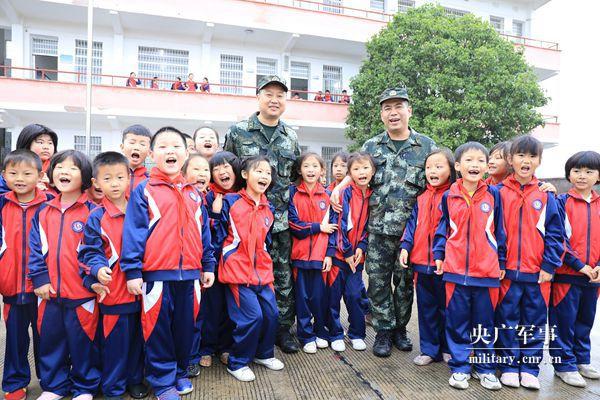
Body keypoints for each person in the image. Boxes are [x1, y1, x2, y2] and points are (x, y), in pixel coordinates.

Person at [331, 87, 436, 357]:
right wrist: (338, 186)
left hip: (409, 233)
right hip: (375, 230)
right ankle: (383, 331)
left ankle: (400, 329)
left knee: (403, 284)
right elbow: (355, 173)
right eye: (387, 108)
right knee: (377, 283)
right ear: (381, 115)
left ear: (409, 111)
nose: (393, 113)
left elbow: (443, 180)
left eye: (398, 106)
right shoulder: (370, 146)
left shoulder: (426, 146)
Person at [120, 127, 215, 400]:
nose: (170, 151)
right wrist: (133, 271)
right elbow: (134, 233)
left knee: (186, 329)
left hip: (191, 277)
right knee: (157, 330)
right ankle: (162, 382)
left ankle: (180, 372)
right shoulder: (144, 190)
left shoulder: (195, 194)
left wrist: (207, 265)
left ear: (186, 153)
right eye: (163, 146)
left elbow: (203, 233)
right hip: (157, 277)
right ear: (152, 154)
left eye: (176, 146)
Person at [223, 75, 301, 353]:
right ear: (258, 97)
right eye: (268, 94)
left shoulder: (290, 137)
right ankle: (242, 331)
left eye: (280, 95)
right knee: (243, 276)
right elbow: (227, 173)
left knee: (282, 276)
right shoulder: (238, 131)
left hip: (278, 221)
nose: (274, 99)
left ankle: (281, 329)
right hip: (244, 222)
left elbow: (295, 177)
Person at [28, 150, 101, 400]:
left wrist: (91, 282)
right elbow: (34, 248)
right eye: (59, 167)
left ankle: (84, 387)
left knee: (84, 343)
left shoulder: (93, 211)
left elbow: (98, 251)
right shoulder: (43, 211)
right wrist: (39, 279)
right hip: (49, 294)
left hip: (82, 294)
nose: (64, 172)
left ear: (85, 176)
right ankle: (54, 386)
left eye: (72, 168)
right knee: (51, 342)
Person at [433, 142, 505, 391]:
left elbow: (501, 231)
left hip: (486, 273)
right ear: (457, 165)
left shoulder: (494, 195)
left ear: (487, 166)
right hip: (454, 272)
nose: (474, 165)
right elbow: (442, 229)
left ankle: (485, 369)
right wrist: (439, 254)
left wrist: (501, 262)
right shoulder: (448, 196)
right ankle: (461, 367)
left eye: (480, 161)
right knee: (457, 322)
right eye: (469, 160)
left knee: (485, 324)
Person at [494, 135, 564, 390]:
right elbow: (492, 231)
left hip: (538, 275)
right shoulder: (498, 192)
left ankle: (530, 368)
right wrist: (499, 262)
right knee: (507, 321)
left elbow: (557, 234)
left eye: (532, 156)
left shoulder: (546, 196)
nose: (526, 160)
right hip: (508, 274)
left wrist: (549, 266)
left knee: (534, 323)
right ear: (510, 159)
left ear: (539, 161)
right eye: (521, 155)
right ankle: (510, 366)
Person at [78, 152, 148, 400]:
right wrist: (97, 269)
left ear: (130, 177)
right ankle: (113, 387)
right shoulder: (96, 216)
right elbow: (90, 250)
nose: (115, 183)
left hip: (142, 290)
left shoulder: (141, 208)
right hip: (114, 293)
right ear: (96, 182)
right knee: (115, 344)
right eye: (107, 178)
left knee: (138, 339)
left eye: (120, 177)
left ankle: (134, 379)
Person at [218, 155, 284, 382]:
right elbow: (218, 236)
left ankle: (263, 354)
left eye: (268, 172)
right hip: (237, 274)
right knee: (251, 317)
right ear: (245, 175)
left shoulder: (269, 208)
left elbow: (267, 242)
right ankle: (237, 362)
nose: (264, 176)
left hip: (263, 274)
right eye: (259, 171)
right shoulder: (230, 201)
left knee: (271, 314)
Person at [0, 150, 52, 400]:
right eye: (13, 173)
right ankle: (14, 382)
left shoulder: (50, 204)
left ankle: (50, 379)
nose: (19, 178)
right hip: (11, 286)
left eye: (26, 173)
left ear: (40, 175)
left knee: (47, 336)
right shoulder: (1, 203)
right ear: (4, 175)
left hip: (42, 286)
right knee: (15, 339)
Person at [399, 149, 455, 366]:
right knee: (426, 308)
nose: (433, 170)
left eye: (439, 166)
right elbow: (412, 224)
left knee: (447, 309)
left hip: (446, 264)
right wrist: (406, 246)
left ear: (451, 169)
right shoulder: (421, 197)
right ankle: (430, 350)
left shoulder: (454, 195)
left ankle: (448, 348)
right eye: (429, 167)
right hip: (421, 263)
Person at [551, 150, 600, 387]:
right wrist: (580, 265)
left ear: (598, 177)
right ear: (569, 175)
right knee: (563, 322)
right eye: (577, 171)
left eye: (589, 171)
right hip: (567, 275)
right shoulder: (561, 203)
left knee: (585, 320)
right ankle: (564, 364)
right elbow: (558, 239)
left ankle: (582, 359)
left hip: (593, 278)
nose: (582, 176)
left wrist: (597, 267)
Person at [193, 151, 240, 371]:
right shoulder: (208, 195)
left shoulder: (242, 195)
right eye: (217, 168)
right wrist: (214, 215)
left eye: (227, 166)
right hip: (214, 260)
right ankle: (206, 348)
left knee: (231, 307)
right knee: (211, 306)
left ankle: (225, 347)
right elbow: (205, 231)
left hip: (236, 263)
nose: (222, 171)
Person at [324, 152, 373, 352]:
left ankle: (357, 333)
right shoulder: (343, 193)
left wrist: (361, 247)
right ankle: (335, 333)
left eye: (365, 168)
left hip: (357, 258)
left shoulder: (372, 196)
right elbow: (339, 224)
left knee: (354, 295)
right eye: (356, 169)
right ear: (350, 173)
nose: (361, 172)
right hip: (339, 256)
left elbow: (369, 227)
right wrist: (346, 252)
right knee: (333, 297)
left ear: (373, 170)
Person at [288, 152, 335, 354]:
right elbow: (294, 225)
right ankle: (306, 336)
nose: (311, 170)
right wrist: (317, 227)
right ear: (300, 170)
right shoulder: (293, 193)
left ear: (322, 170)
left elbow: (334, 228)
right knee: (303, 299)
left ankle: (320, 333)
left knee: (319, 298)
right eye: (306, 166)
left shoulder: (328, 196)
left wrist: (329, 254)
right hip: (299, 257)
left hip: (320, 256)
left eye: (315, 166)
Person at [15, 124, 59, 192]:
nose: (46, 147)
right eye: (40, 142)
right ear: (27, 143)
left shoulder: (59, 167)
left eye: (50, 143)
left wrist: (55, 184)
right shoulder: (13, 164)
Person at [119, 124, 151, 195]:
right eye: (132, 143)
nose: (136, 147)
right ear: (122, 147)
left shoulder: (150, 181)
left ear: (149, 152)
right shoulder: (112, 176)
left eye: (142, 144)